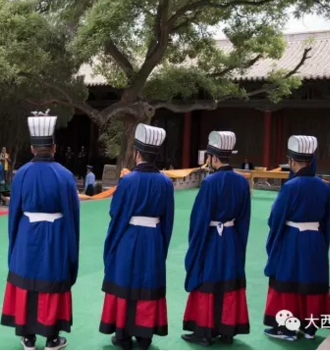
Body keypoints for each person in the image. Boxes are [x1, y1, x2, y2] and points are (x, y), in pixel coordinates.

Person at [1, 112, 79, 351]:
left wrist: (14, 244)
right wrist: (71, 252)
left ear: (32, 149)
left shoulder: (21, 175)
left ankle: (28, 337)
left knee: (26, 280)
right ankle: (52, 339)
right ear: (54, 148)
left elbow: (13, 214)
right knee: (52, 281)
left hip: (26, 233)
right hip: (55, 235)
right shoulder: (65, 176)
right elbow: (72, 217)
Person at [100, 124, 174, 350]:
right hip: (153, 238)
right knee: (148, 282)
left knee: (125, 281)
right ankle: (145, 335)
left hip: (129, 236)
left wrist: (112, 244)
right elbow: (168, 218)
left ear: (137, 153)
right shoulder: (166, 182)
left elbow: (116, 212)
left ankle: (123, 334)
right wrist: (162, 243)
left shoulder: (128, 180)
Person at [182, 131, 250, 346]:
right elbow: (244, 218)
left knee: (207, 279)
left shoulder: (210, 182)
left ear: (213, 157)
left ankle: (205, 330)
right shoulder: (241, 181)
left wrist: (195, 246)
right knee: (229, 280)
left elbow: (199, 218)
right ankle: (228, 330)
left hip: (212, 238)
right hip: (231, 238)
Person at [264, 136, 330, 341]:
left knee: (288, 280)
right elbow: (327, 220)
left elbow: (276, 217)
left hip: (293, 239)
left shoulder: (291, 186)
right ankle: (310, 328)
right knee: (312, 280)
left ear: (292, 161)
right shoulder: (323, 186)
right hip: (316, 239)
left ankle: (287, 329)